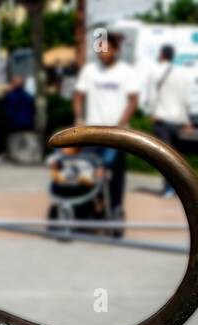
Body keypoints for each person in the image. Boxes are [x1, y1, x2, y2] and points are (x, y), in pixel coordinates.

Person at [73, 32, 139, 216]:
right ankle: (87, 207)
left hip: (118, 134)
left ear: (116, 50)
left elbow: (133, 100)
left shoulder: (127, 72)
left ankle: (116, 206)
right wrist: (79, 118)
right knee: (87, 171)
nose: (103, 52)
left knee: (115, 174)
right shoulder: (89, 70)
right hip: (93, 133)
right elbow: (78, 96)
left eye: (107, 48)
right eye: (100, 48)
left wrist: (120, 124)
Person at [144, 44, 193, 196]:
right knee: (177, 156)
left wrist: (150, 113)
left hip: (162, 119)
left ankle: (168, 188)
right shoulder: (181, 73)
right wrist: (187, 121)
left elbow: (151, 95)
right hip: (178, 120)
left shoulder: (155, 71)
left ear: (161, 54)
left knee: (165, 156)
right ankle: (180, 187)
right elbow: (185, 98)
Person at [0, 74, 36, 163]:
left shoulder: (12, 95)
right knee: (1, 127)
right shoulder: (28, 96)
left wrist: (5, 93)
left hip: (16, 123)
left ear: (13, 84)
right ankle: (2, 151)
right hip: (29, 123)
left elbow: (5, 108)